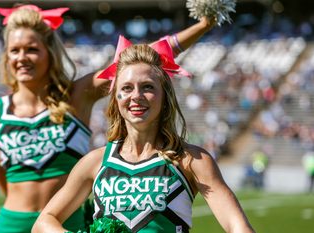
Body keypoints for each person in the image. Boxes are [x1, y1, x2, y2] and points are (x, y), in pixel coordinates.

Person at [0, 4, 216, 233]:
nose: (22, 57)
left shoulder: (78, 96)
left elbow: (141, 58)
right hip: (11, 224)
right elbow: (3, 182)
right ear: (6, 56)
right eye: (14, 50)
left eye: (32, 49)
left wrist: (203, 25)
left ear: (49, 53)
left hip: (67, 222)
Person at [32, 40, 255, 233]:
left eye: (147, 87)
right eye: (127, 88)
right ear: (115, 97)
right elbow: (43, 222)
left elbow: (238, 227)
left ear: (164, 95)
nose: (136, 97)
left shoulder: (191, 160)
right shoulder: (95, 163)